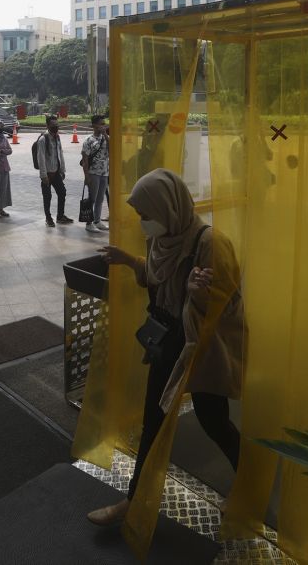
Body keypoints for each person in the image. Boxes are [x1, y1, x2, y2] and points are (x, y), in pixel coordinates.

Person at [87, 168, 244, 526]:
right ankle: (134, 500)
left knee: (214, 420)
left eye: (147, 215)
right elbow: (157, 278)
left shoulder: (210, 243)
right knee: (153, 421)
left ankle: (246, 484)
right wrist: (128, 261)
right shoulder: (160, 239)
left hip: (199, 348)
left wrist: (199, 292)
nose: (143, 222)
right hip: (168, 343)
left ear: (169, 208)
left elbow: (229, 301)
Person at [38, 115, 73, 227]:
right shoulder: (43, 139)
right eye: (53, 125)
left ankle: (60, 216)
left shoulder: (57, 138)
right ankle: (48, 218)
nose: (55, 127)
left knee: (62, 192)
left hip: (56, 172)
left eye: (57, 125)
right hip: (47, 173)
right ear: (47, 126)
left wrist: (62, 169)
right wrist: (43, 175)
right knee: (47, 196)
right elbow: (41, 158)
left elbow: (60, 153)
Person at [81, 115, 110, 233]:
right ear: (94, 126)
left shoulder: (106, 138)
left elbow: (113, 149)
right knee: (92, 198)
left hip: (104, 172)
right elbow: (85, 159)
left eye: (104, 124)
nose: (103, 126)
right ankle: (89, 223)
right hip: (93, 173)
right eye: (101, 124)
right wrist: (86, 176)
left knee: (100, 198)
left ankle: (97, 221)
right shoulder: (89, 140)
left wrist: (106, 135)